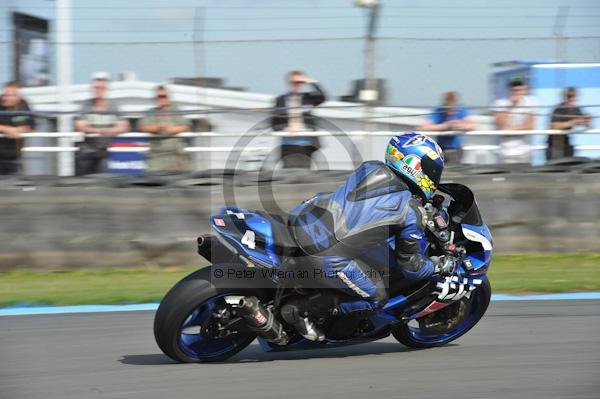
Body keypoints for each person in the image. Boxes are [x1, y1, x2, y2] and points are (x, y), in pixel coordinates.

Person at [287, 132, 456, 340]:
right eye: (432, 170)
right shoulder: (411, 212)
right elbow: (410, 266)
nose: (434, 176)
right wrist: (438, 266)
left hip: (304, 219)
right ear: (416, 166)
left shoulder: (371, 168)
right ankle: (301, 311)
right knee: (377, 297)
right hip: (326, 254)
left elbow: (367, 212)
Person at [74, 73, 129, 175]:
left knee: (103, 180)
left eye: (101, 88)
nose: (98, 91)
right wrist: (98, 131)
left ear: (106, 90)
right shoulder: (86, 105)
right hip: (86, 152)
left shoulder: (113, 106)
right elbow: (80, 125)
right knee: (82, 182)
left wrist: (109, 131)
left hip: (105, 151)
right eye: (96, 88)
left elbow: (123, 126)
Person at [271, 70, 326, 168]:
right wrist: (285, 128)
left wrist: (312, 82)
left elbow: (323, 97)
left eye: (299, 82)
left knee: (305, 173)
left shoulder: (308, 98)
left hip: (306, 144)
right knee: (288, 174)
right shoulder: (280, 100)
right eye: (294, 82)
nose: (297, 85)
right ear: (289, 83)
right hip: (288, 144)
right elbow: (273, 123)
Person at [139, 85, 191, 172]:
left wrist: (172, 129)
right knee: (153, 182)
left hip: (176, 155)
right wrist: (157, 127)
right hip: (156, 156)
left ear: (168, 97)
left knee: (180, 181)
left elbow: (186, 126)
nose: (161, 99)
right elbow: (143, 126)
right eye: (158, 97)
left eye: (163, 96)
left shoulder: (176, 111)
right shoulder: (151, 112)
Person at [418, 91, 476, 163]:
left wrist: (459, 125)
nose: (450, 112)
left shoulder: (461, 109)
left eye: (453, 109)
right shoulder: (438, 110)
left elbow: (473, 126)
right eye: (448, 108)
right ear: (444, 105)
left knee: (456, 172)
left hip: (456, 150)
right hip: (440, 149)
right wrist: (444, 126)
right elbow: (423, 127)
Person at [493, 79, 538, 163]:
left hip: (524, 150)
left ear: (525, 90)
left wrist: (511, 130)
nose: (517, 93)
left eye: (520, 90)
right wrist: (510, 106)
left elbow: (530, 126)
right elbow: (502, 127)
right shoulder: (500, 103)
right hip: (506, 152)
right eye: (514, 90)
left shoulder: (530, 102)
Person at [547, 87, 592, 160]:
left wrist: (586, 121)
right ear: (565, 98)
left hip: (567, 144)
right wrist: (573, 122)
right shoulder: (558, 109)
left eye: (573, 98)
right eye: (569, 97)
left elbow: (586, 124)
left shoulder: (576, 109)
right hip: (554, 145)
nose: (572, 101)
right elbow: (553, 125)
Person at [0, 81, 35, 175]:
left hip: (14, 159)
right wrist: (5, 129)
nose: (6, 98)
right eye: (5, 95)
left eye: (11, 95)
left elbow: (30, 126)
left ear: (18, 97)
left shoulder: (24, 106)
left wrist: (18, 130)